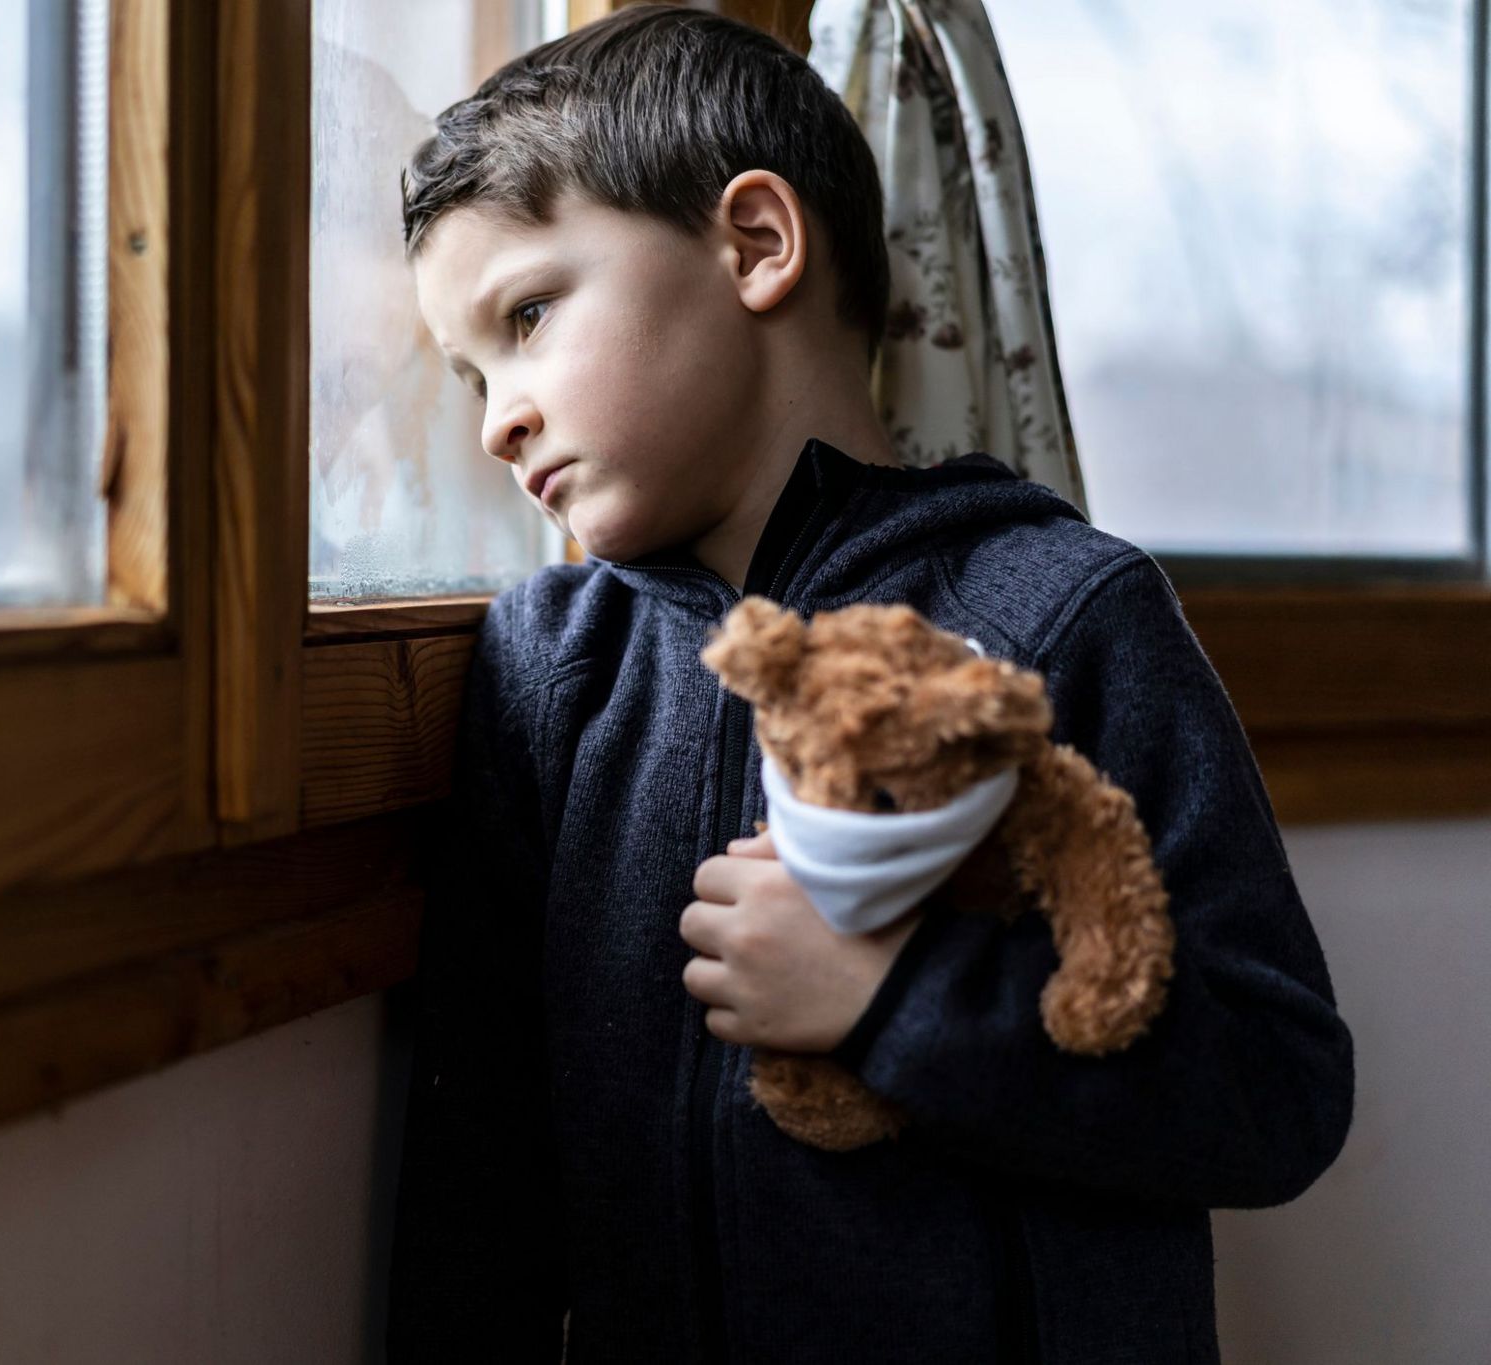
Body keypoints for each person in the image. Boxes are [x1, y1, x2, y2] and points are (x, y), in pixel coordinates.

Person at [382, 6, 1355, 1363]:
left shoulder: (1067, 610)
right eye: (474, 371)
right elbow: (477, 1159)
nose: (498, 417)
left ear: (756, 244)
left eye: (530, 316)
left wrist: (897, 1001)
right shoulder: (549, 665)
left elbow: (1280, 1084)